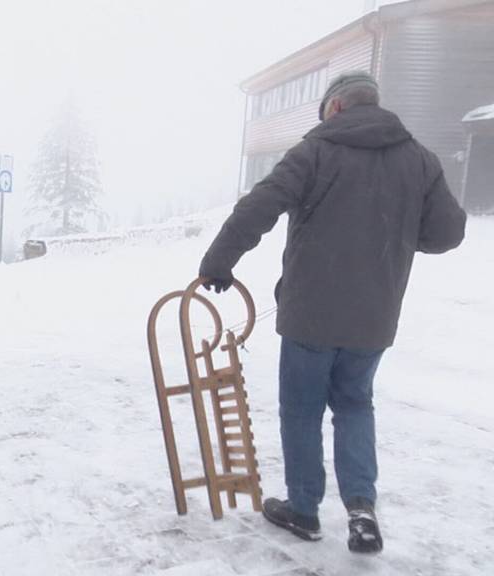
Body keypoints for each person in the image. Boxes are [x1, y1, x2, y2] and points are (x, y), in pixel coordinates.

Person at [199, 71, 466, 553]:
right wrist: (402, 234)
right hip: (374, 317)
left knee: (302, 409)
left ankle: (303, 509)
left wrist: (219, 261)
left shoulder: (315, 151)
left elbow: (258, 206)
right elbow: (447, 233)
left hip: (310, 315)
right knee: (354, 404)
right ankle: (361, 508)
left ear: (336, 107)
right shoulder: (419, 160)